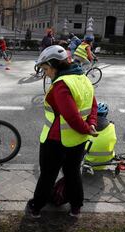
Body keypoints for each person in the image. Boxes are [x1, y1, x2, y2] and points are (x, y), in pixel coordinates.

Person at [26, 45, 98, 218]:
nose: (45, 73)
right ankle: (75, 207)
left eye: (45, 69)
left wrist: (88, 128)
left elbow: (72, 117)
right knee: (73, 173)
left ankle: (36, 208)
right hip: (78, 140)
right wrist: (91, 125)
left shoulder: (61, 85)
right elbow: (93, 104)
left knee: (48, 175)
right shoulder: (83, 78)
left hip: (55, 140)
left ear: (54, 65)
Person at [83, 102, 117, 171]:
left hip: (88, 162)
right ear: (106, 114)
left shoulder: (86, 126)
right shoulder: (112, 126)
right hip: (107, 162)